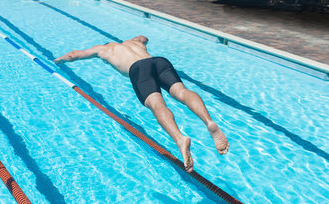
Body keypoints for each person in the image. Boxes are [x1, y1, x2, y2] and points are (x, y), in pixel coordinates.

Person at [55, 35, 229, 172]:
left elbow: (74, 55)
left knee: (156, 104)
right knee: (181, 92)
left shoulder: (103, 49)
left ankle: (180, 139)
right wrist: (141, 41)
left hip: (139, 69)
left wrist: (59, 60)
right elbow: (143, 37)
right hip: (159, 62)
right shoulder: (134, 42)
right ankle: (209, 121)